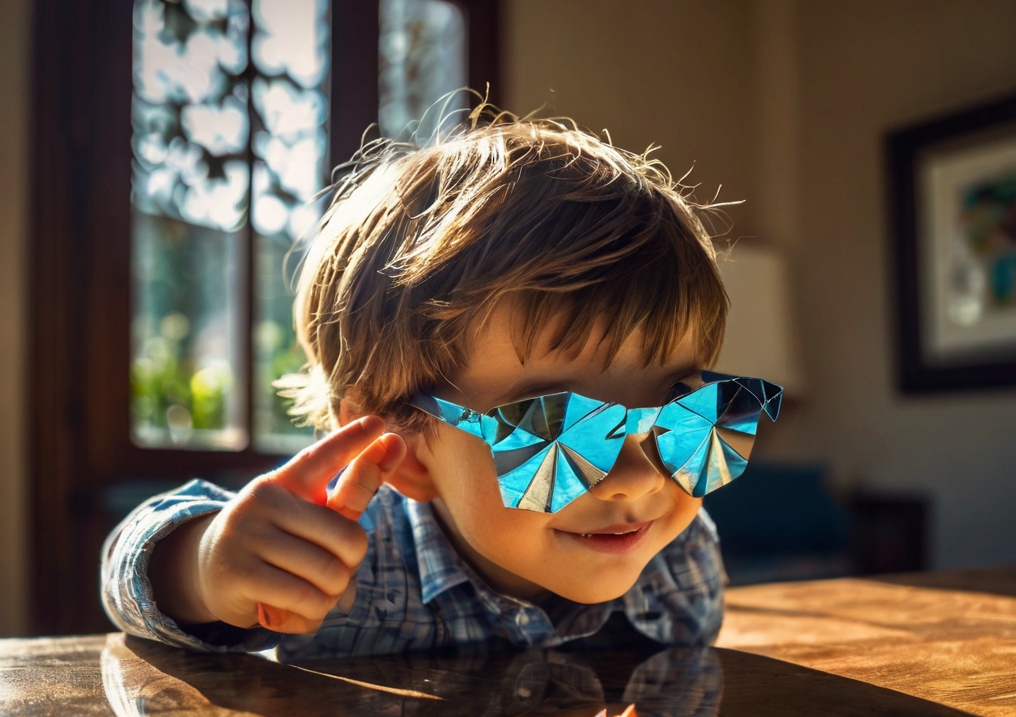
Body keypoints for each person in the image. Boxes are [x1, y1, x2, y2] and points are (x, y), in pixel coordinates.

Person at [102, 109, 777, 660]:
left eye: (686, 418)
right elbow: (133, 566)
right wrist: (202, 570)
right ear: (405, 448)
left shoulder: (676, 548)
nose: (641, 478)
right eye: (561, 429)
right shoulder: (344, 553)